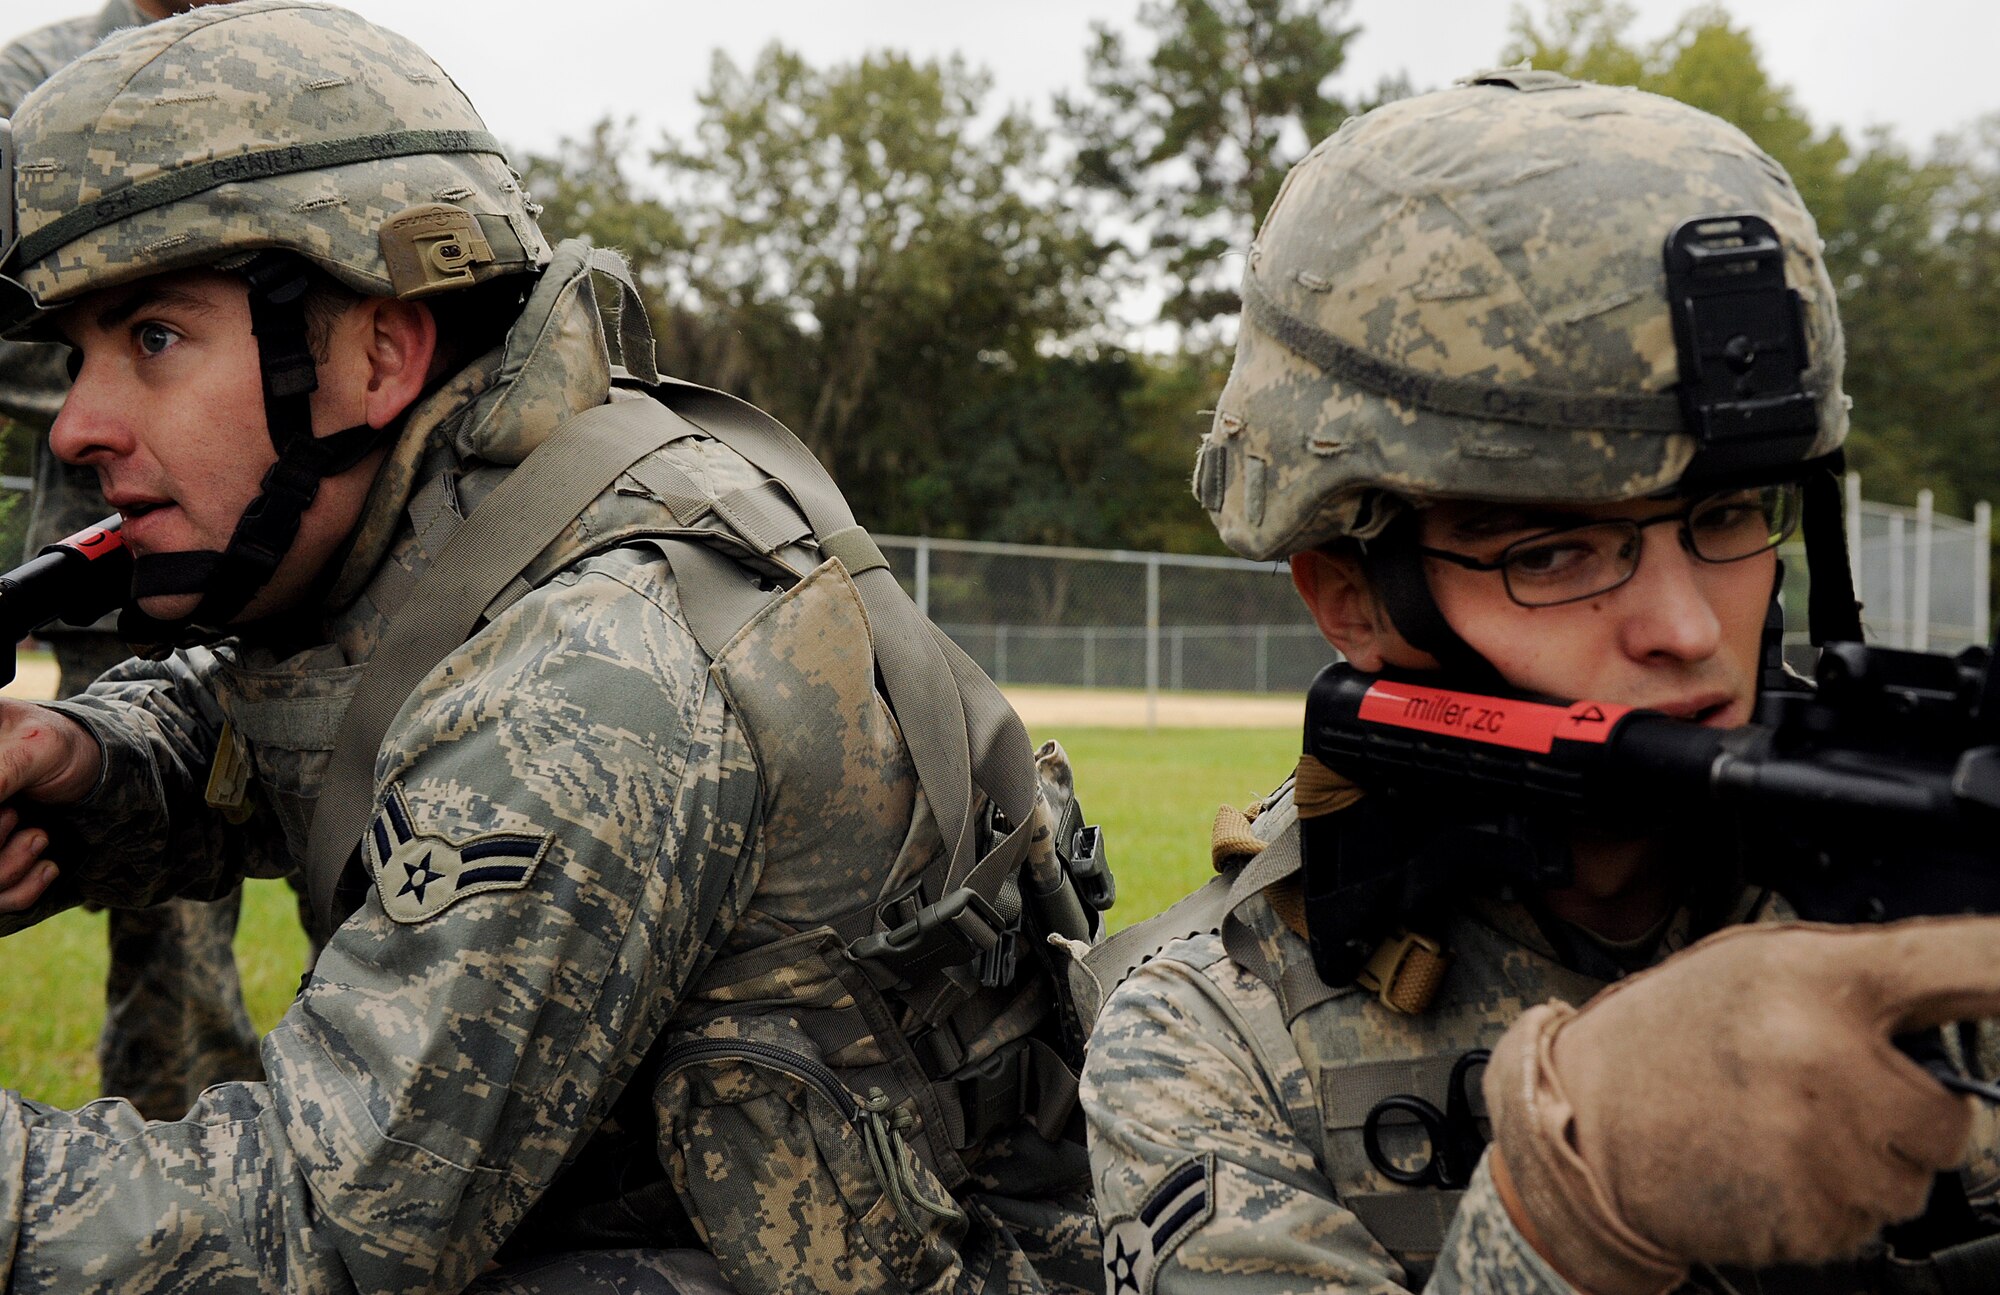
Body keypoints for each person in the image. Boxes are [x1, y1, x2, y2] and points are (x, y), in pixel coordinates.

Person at [0, 3, 1101, 1291]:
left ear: (377, 351)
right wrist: (82, 767)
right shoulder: (471, 514)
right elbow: (308, 705)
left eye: (153, 339)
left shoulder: (592, 672)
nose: (77, 423)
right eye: (77, 354)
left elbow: (315, 1227)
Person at [1077, 70, 2000, 1295]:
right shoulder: (1210, 1031)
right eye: (1553, 551)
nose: (1683, 627)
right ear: (1351, 597)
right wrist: (1562, 1209)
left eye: (1723, 515)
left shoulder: (1926, 846)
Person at [0, 0, 278, 1122]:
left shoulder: (299, 62)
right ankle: (179, 1122)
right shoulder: (39, 80)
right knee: (155, 883)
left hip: (299, 532)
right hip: (108, 563)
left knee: (353, 832)